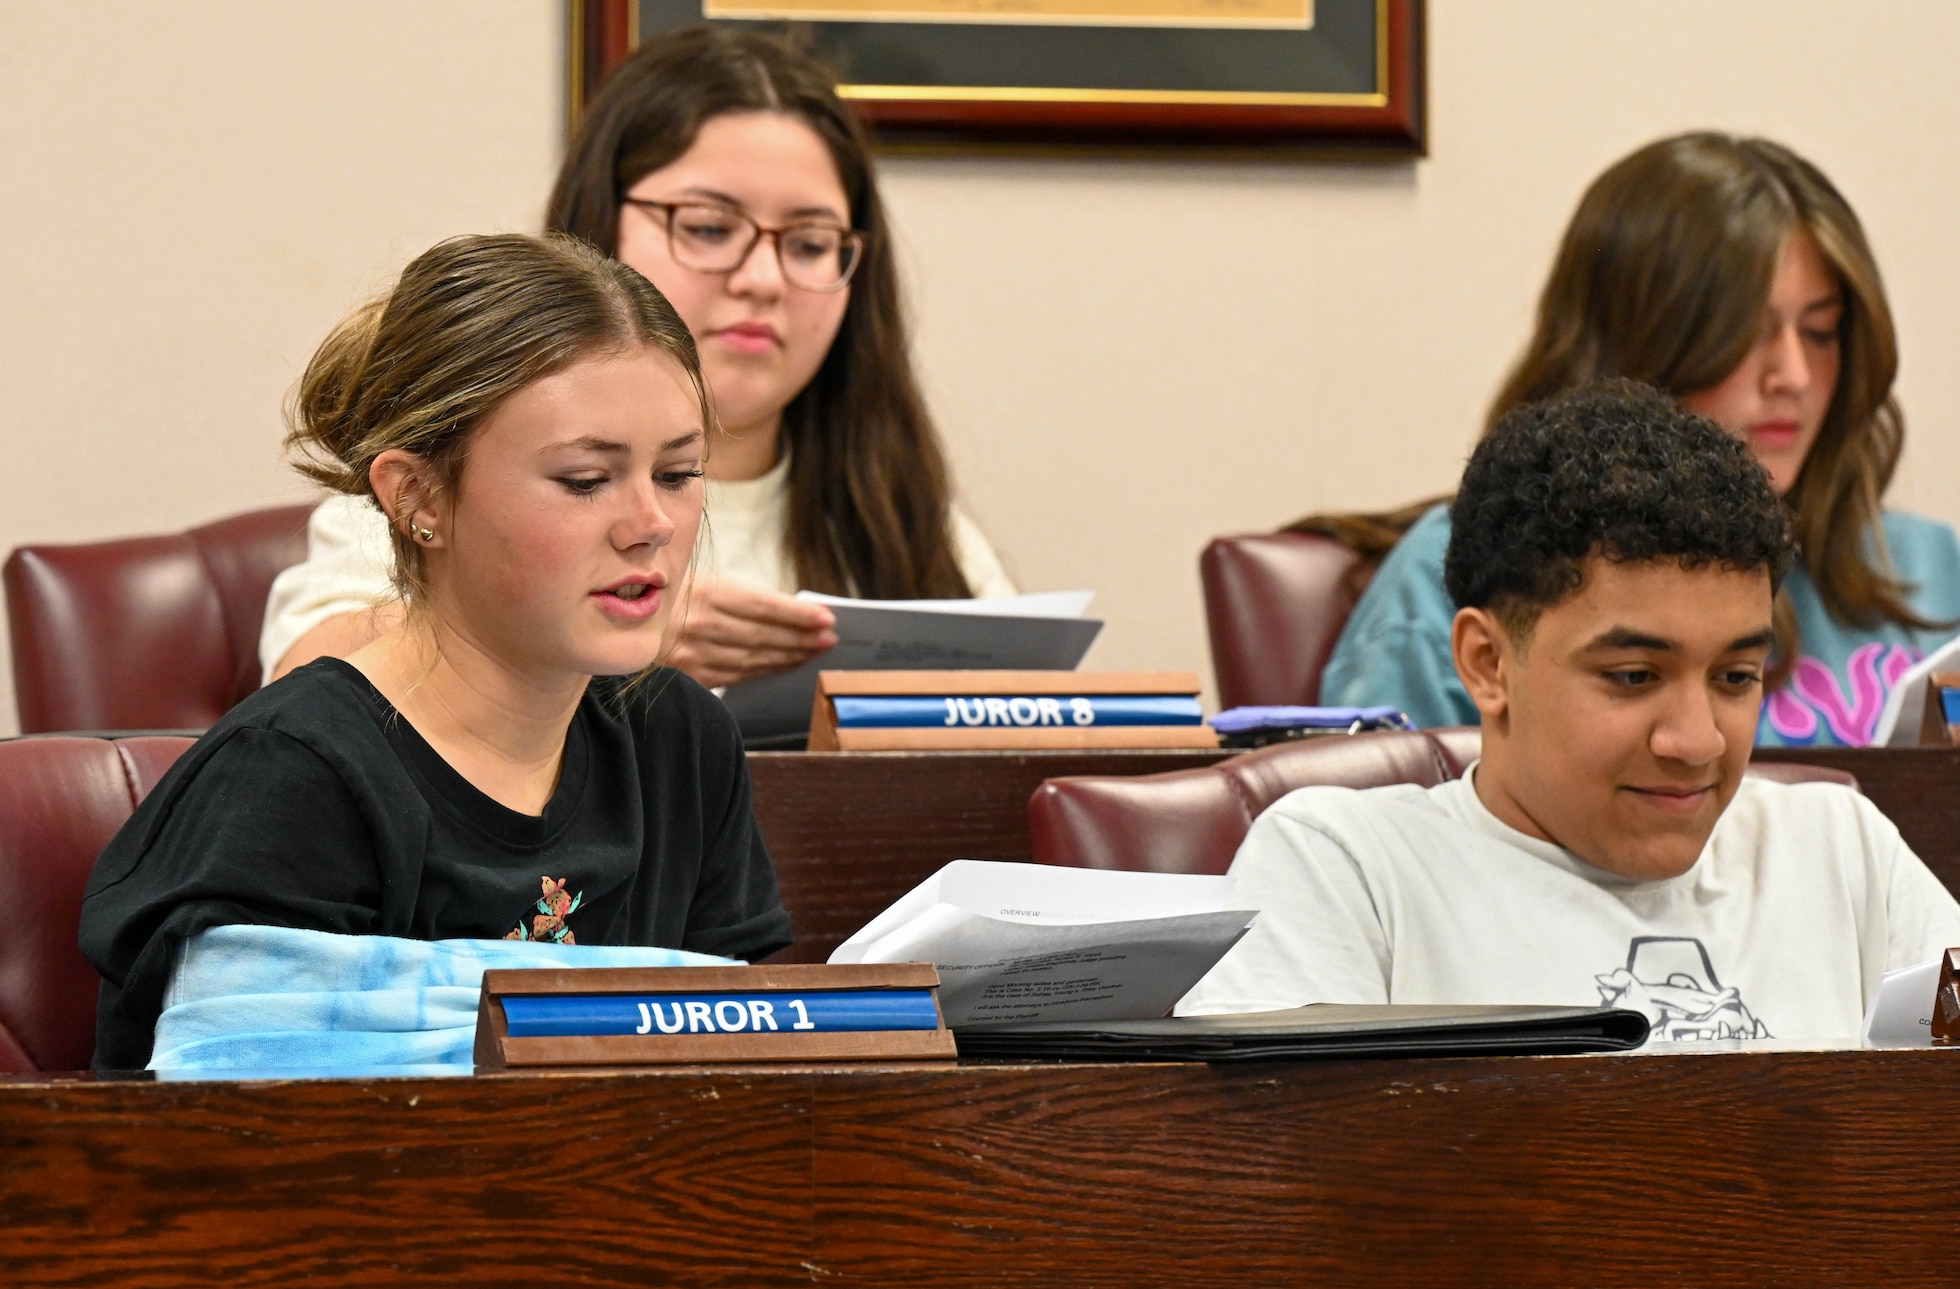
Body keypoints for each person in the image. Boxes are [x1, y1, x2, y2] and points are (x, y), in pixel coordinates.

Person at [81, 234, 794, 1070]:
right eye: (583, 480)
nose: (653, 524)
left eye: (678, 473)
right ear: (418, 496)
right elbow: (230, 1147)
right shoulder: (291, 774)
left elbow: (754, 1075)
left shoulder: (681, 739)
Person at [1179, 383, 1960, 1041]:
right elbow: (1284, 1193)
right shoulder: (1345, 869)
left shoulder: (1840, 849)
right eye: (1631, 675)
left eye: (1735, 676)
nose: (1695, 741)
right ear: (1488, 663)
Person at [260, 27, 1014, 691]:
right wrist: (611, 623)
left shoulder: (897, 505)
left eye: (811, 244)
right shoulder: (461, 477)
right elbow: (303, 692)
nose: (763, 279)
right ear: (600, 232)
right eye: (710, 228)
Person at [1316, 132, 1960, 745]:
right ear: (1638, 344)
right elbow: (1380, 844)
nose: (1793, 376)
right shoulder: (1445, 581)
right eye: (1744, 334)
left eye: (1820, 332)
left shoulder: (1930, 565)